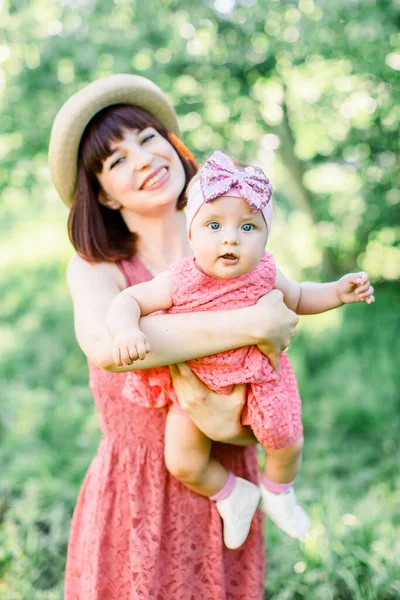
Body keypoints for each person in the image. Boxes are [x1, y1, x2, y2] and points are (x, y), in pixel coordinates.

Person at [48, 74, 300, 600]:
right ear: (102, 195)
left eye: (147, 138)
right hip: (136, 489)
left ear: (173, 145)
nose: (142, 160)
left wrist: (235, 423)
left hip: (228, 472)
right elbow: (110, 348)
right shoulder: (99, 269)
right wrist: (254, 323)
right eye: (116, 161)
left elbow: (269, 376)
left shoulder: (230, 249)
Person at [106, 150, 375, 550]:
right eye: (214, 224)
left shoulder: (265, 273)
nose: (230, 237)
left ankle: (279, 490)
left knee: (287, 441)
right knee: (181, 461)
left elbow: (301, 296)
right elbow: (127, 300)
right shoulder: (179, 279)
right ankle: (232, 492)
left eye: (248, 227)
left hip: (261, 380)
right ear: (192, 234)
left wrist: (338, 291)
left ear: (266, 239)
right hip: (195, 381)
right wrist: (126, 329)